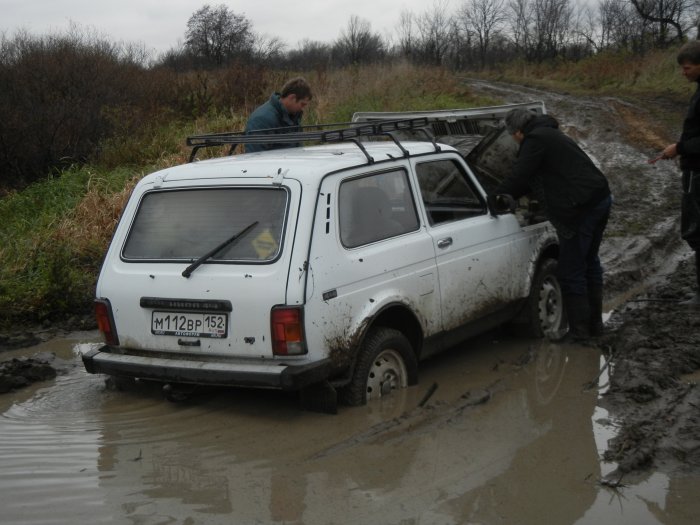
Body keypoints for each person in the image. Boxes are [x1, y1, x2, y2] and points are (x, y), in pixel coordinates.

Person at [493, 108, 612, 340]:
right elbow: (530, 179)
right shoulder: (549, 133)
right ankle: (596, 327)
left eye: (513, 137)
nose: (515, 141)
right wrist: (509, 193)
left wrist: (495, 197)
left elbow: (520, 176)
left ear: (518, 132)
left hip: (581, 207)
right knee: (589, 262)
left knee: (571, 269)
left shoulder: (535, 140)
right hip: (599, 198)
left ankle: (580, 333)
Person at [655, 41, 700, 306]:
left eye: (687, 68)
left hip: (698, 173)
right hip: (694, 169)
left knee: (696, 230)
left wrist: (680, 148)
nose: (683, 73)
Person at [244, 77, 313, 153]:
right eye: (302, 104)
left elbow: (298, 148)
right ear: (292, 97)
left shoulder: (294, 116)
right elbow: (255, 156)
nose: (303, 109)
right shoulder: (261, 120)